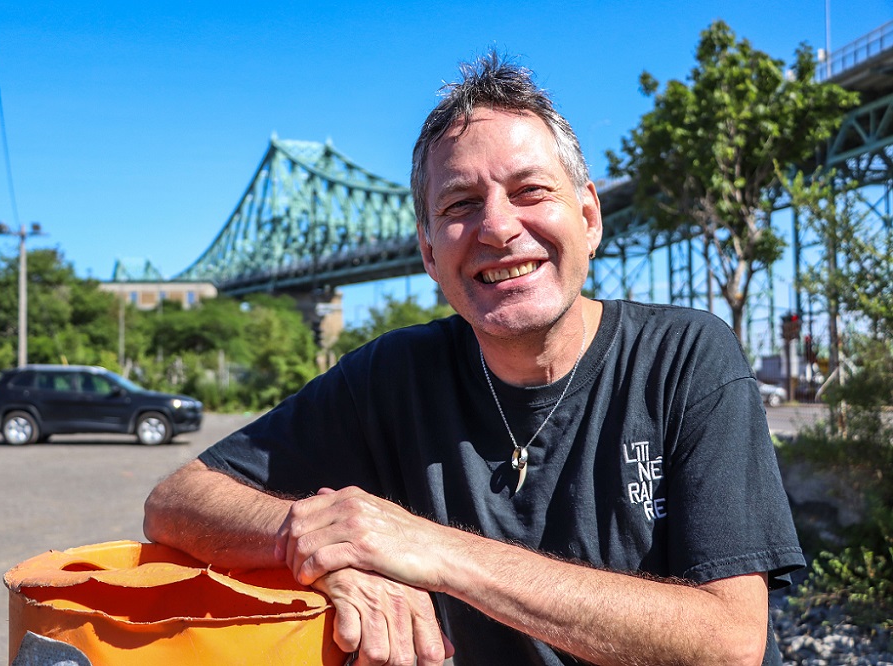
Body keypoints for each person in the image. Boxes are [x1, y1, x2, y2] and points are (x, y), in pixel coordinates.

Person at [144, 51, 804, 666]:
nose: (497, 226)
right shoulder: (390, 377)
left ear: (590, 217)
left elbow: (731, 641)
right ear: (429, 255)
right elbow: (175, 502)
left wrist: (431, 551)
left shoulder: (686, 355)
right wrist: (326, 543)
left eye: (530, 191)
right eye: (460, 204)